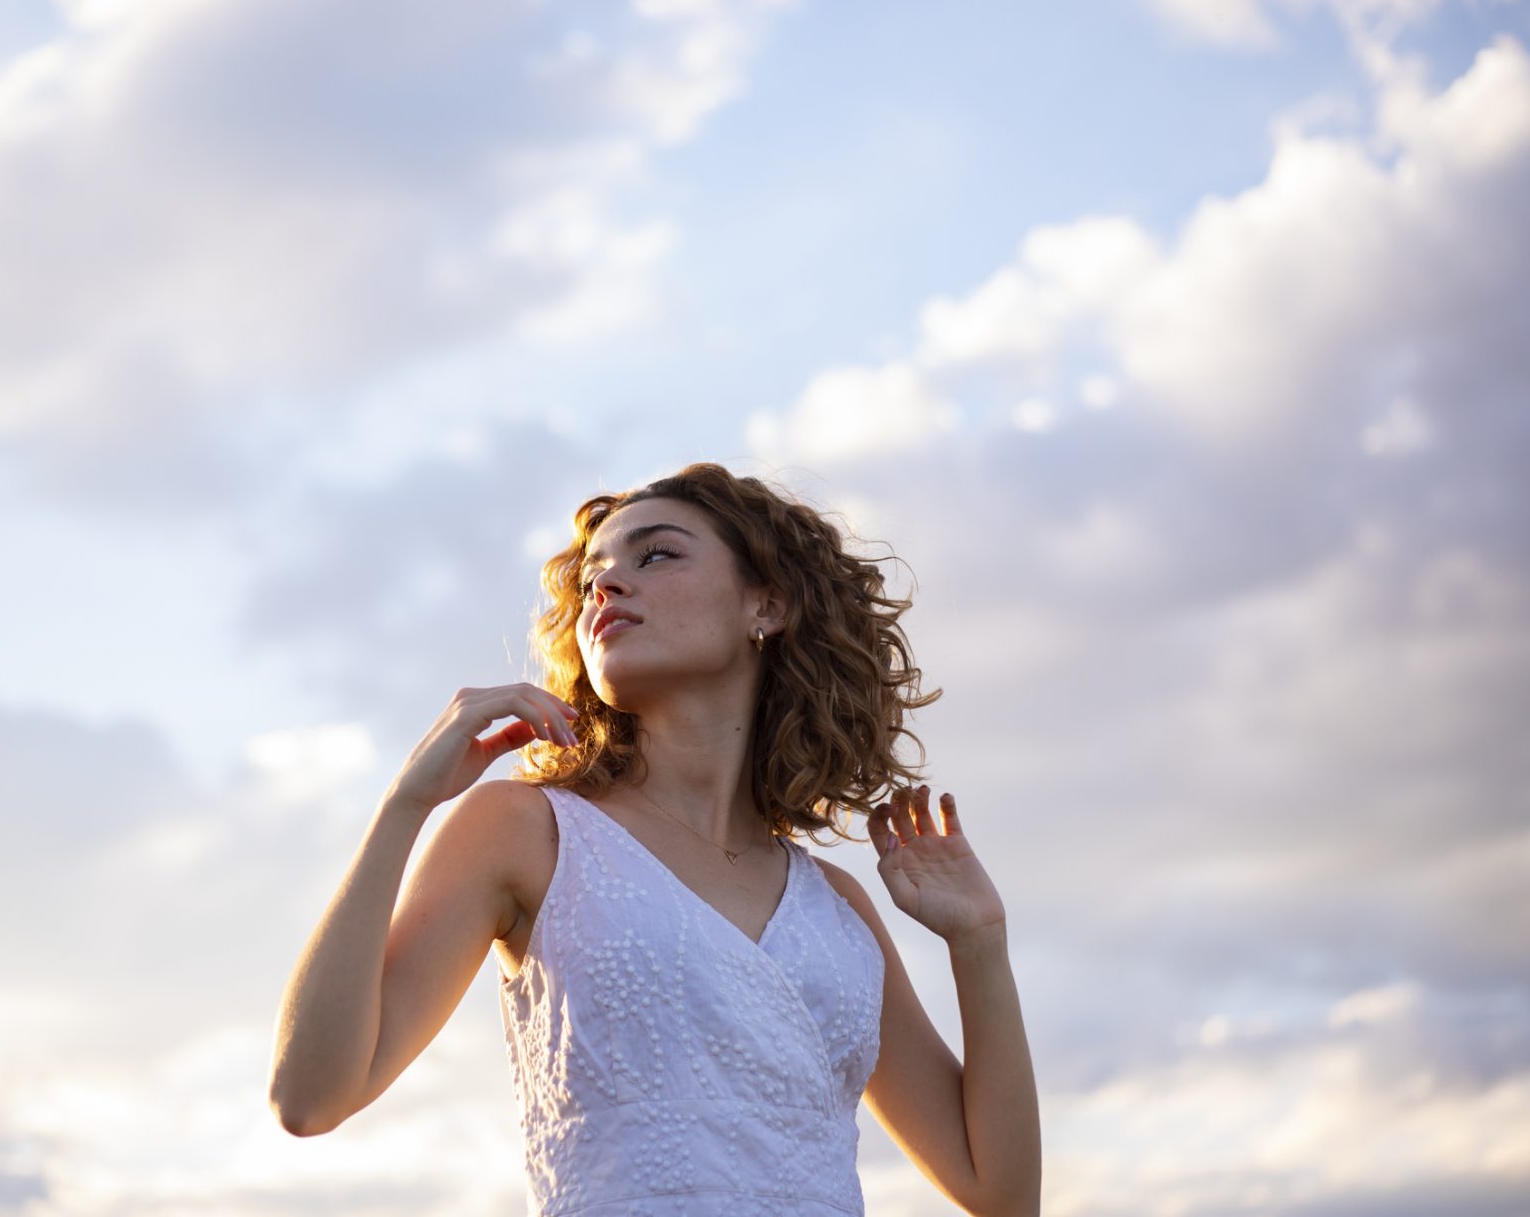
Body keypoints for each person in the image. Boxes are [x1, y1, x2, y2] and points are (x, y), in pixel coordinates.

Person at [269, 462, 1041, 1215]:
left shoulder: (837, 908)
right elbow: (310, 1099)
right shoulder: (526, 830)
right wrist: (406, 805)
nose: (604, 585)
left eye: (657, 554)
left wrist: (980, 941)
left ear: (765, 606)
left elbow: (1001, 1197)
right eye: (591, 578)